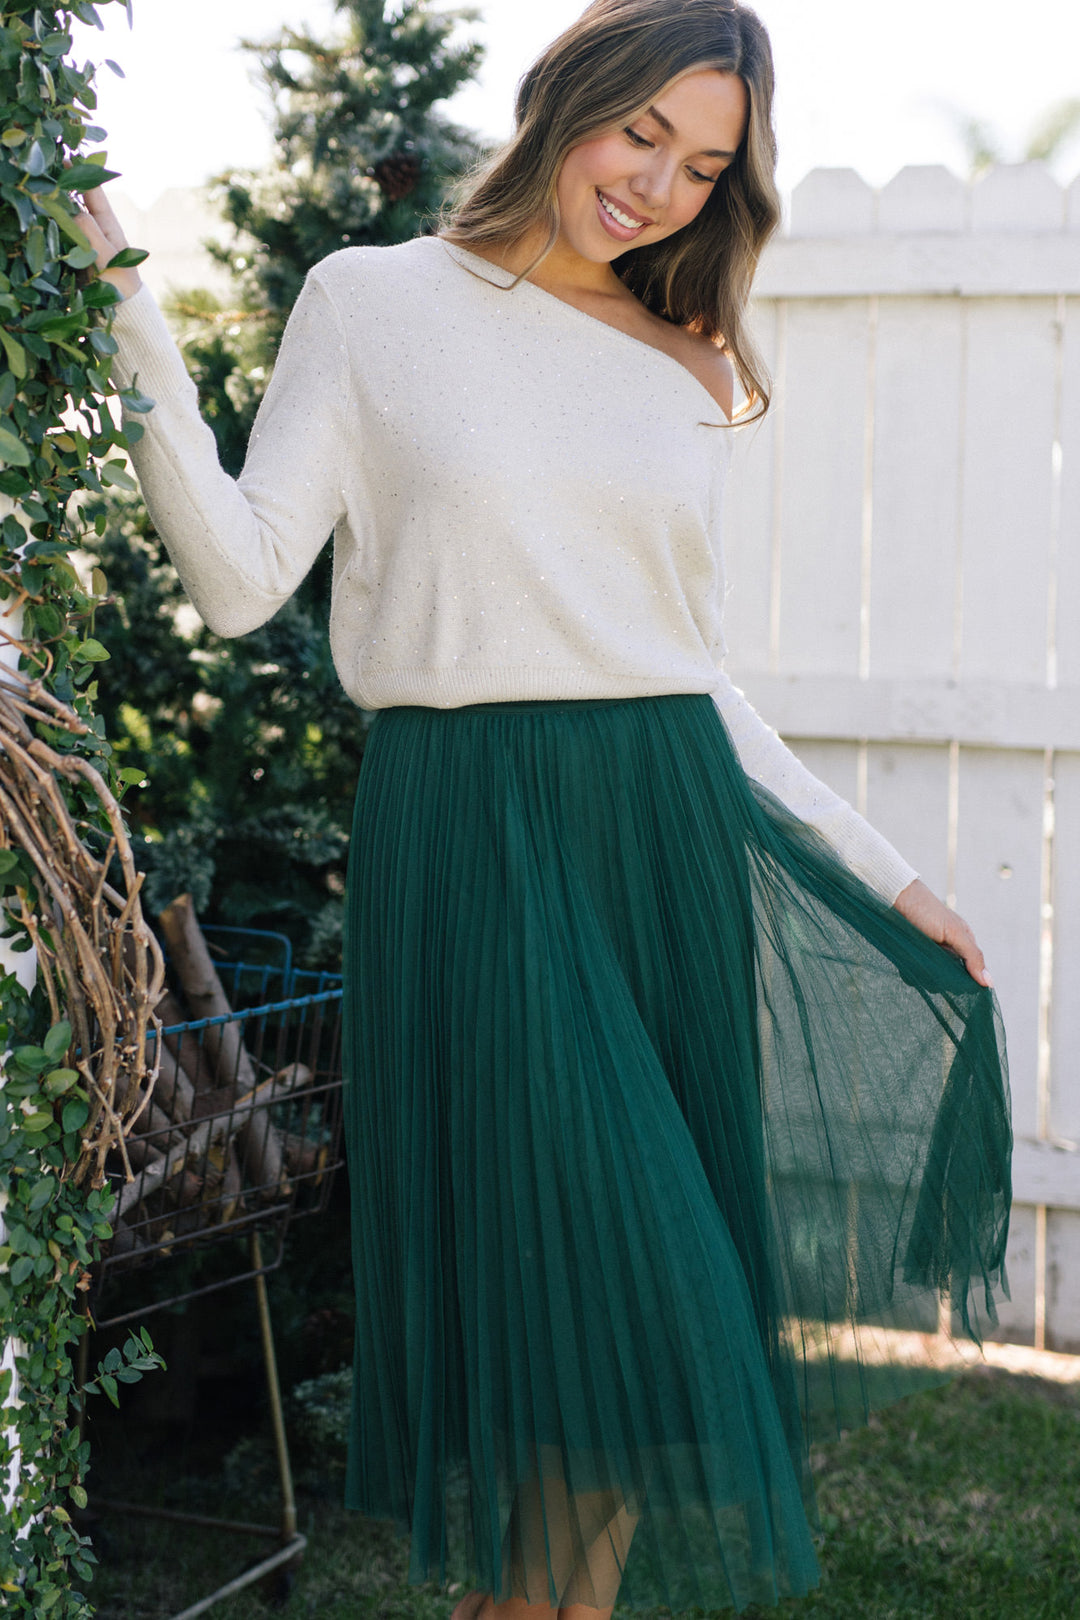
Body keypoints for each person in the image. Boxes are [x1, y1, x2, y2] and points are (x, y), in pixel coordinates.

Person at [77, 0, 1011, 1614]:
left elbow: (687, 667)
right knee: (614, 1265)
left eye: (705, 165)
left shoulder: (685, 358)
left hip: (657, 833)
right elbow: (238, 583)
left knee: (641, 1321)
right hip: (481, 830)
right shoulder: (371, 305)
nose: (659, 186)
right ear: (564, 97)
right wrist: (129, 317)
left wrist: (880, 867)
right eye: (639, 132)